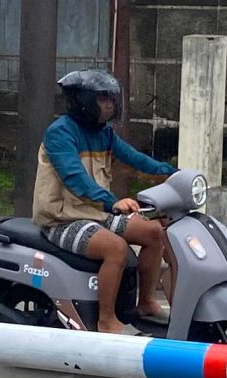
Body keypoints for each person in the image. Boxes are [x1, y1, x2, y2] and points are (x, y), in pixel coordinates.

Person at [33, 68, 175, 335]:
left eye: (111, 98)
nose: (109, 104)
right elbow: (75, 178)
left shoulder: (104, 133)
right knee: (115, 248)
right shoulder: (60, 133)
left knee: (154, 232)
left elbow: (135, 159)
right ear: (82, 100)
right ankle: (106, 320)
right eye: (102, 98)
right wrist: (111, 202)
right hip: (64, 219)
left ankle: (145, 303)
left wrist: (173, 174)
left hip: (97, 213)